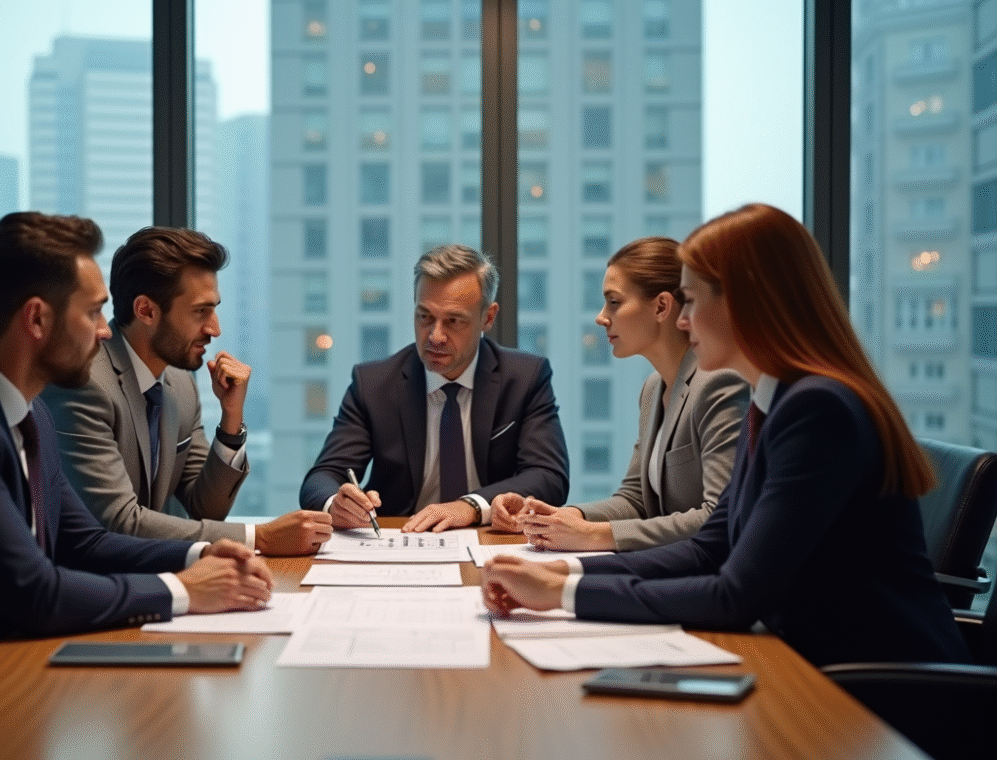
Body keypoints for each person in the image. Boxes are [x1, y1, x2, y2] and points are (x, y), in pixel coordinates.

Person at [482, 203, 970, 668]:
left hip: (878, 697)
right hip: (812, 666)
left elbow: (734, 594)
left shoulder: (817, 410)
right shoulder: (773, 401)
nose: (682, 319)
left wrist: (562, 595)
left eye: (691, 300)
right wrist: (563, 573)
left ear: (744, 302)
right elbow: (708, 548)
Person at [0, 213, 274, 678]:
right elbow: (34, 591)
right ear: (37, 318)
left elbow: (84, 543)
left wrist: (202, 555)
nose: (106, 331)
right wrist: (183, 591)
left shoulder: (29, 409)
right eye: (93, 312)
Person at [43, 227, 331, 556]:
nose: (215, 328)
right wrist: (259, 538)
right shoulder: (85, 384)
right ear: (146, 310)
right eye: (200, 312)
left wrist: (231, 419)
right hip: (87, 585)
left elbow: (204, 508)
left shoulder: (179, 383)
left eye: (214, 309)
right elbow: (119, 522)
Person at [491, 237, 747, 551]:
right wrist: (562, 516)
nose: (601, 316)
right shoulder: (653, 389)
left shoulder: (717, 384)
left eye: (614, 302)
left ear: (662, 307)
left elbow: (718, 517)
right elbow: (635, 499)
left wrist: (594, 535)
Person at [299, 244, 569, 533]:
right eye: (424, 317)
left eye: (454, 321)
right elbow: (322, 477)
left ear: (488, 318)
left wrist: (471, 506)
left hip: (492, 540)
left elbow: (548, 476)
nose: (435, 336)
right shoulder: (375, 384)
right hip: (401, 540)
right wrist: (336, 504)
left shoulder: (525, 378)